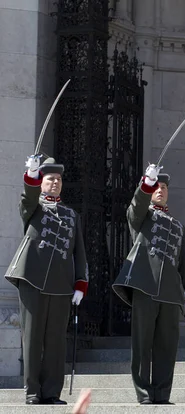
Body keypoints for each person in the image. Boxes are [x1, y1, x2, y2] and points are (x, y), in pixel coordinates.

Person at [5, 156, 88, 405]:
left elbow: (79, 252)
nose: (55, 183)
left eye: (59, 180)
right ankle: (32, 391)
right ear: (41, 183)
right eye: (50, 179)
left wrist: (80, 283)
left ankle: (52, 392)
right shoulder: (34, 207)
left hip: (61, 285)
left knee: (55, 341)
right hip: (31, 279)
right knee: (32, 338)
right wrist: (31, 175)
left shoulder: (71, 216)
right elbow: (27, 198)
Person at [113, 164, 185, 405]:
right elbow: (134, 208)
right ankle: (144, 393)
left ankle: (162, 393)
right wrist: (145, 184)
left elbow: (184, 261)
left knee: (166, 346)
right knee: (142, 344)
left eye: (164, 187)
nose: (160, 190)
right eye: (156, 187)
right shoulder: (142, 217)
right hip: (145, 287)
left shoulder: (178, 226)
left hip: (171, 293)